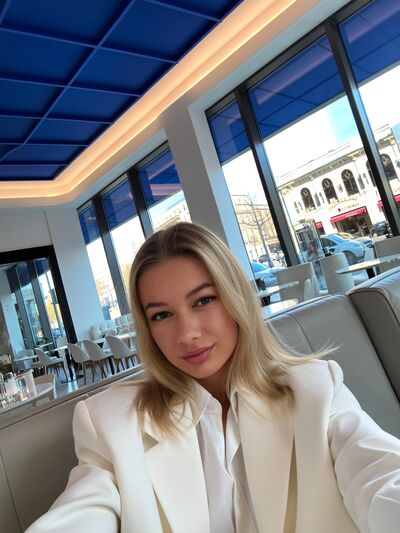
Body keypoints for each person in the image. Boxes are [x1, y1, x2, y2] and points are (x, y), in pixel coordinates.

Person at [27, 222, 400, 533]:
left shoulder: (316, 389)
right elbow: (85, 511)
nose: (187, 333)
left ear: (235, 297)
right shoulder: (110, 422)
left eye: (203, 300)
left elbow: (379, 473)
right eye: (161, 315)